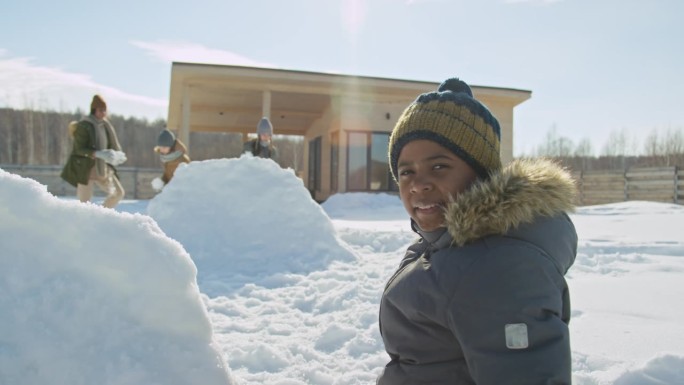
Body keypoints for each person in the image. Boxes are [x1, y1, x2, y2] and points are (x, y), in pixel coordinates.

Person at [377, 78, 578, 384]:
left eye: (439, 166)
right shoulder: (444, 245)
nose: (418, 184)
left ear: (481, 174)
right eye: (407, 172)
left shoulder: (496, 266)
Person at [60, 94, 127, 209]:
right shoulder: (84, 126)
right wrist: (98, 154)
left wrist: (117, 155)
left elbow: (112, 145)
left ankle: (102, 214)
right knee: (84, 204)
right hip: (86, 169)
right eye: (101, 110)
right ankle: (83, 223)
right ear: (94, 110)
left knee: (118, 193)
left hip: (103, 169)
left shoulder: (106, 126)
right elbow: (78, 149)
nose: (103, 113)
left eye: (105, 110)